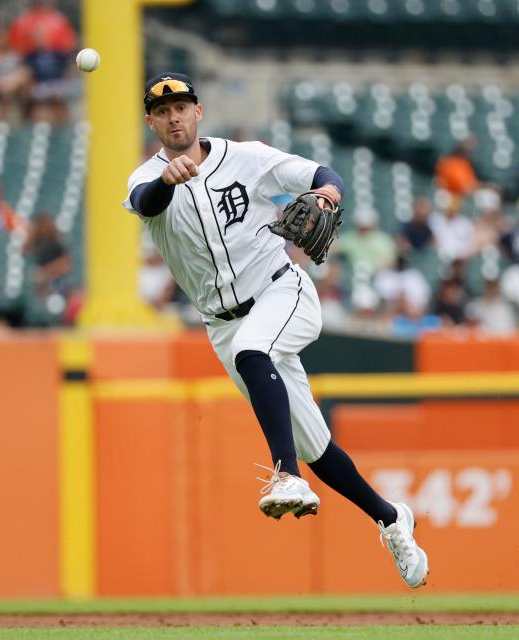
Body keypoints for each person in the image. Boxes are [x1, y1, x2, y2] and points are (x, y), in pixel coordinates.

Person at [122, 73, 428, 587]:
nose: (174, 117)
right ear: (151, 122)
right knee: (318, 445)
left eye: (182, 106)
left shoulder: (248, 157)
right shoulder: (143, 181)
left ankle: (286, 474)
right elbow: (147, 202)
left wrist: (328, 195)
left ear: (199, 112)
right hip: (222, 324)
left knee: (253, 350)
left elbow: (323, 173)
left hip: (281, 292)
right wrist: (166, 181)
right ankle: (392, 519)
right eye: (162, 110)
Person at [334, 206, 395, 272]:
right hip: (353, 274)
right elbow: (334, 247)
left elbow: (390, 261)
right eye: (362, 228)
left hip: (377, 275)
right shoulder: (350, 238)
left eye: (367, 228)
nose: (364, 231)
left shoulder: (384, 240)